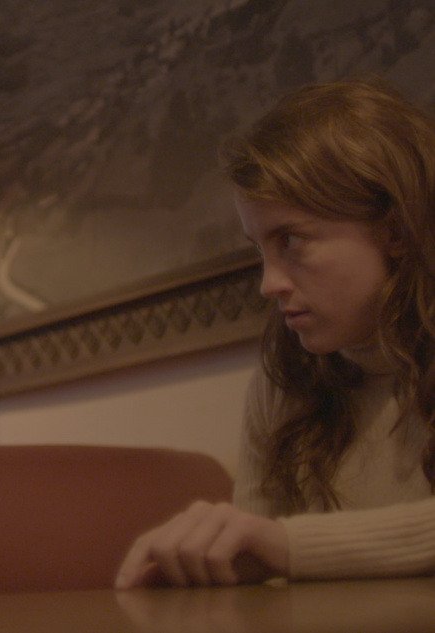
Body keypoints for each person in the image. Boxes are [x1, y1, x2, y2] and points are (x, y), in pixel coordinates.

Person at [115, 78, 435, 589]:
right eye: (260, 250)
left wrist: (287, 546)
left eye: (291, 241)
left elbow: (276, 547)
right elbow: (260, 580)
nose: (269, 284)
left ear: (394, 231)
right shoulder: (284, 377)